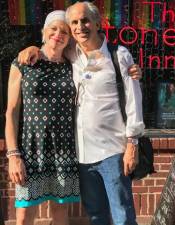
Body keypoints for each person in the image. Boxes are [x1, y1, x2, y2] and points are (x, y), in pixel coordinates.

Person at [17, 2, 144, 225]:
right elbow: (51, 44)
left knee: (122, 215)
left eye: (84, 20)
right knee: (96, 216)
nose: (79, 26)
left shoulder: (119, 55)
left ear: (97, 23)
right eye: (74, 22)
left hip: (113, 151)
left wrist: (132, 143)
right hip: (82, 154)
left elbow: (134, 100)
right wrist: (33, 48)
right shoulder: (72, 54)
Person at [5, 11, 80, 225]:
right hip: (30, 149)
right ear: (43, 31)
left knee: (60, 211)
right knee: (24, 214)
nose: (58, 34)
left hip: (64, 150)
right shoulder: (23, 62)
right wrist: (13, 155)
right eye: (53, 28)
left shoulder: (72, 65)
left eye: (64, 31)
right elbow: (11, 111)